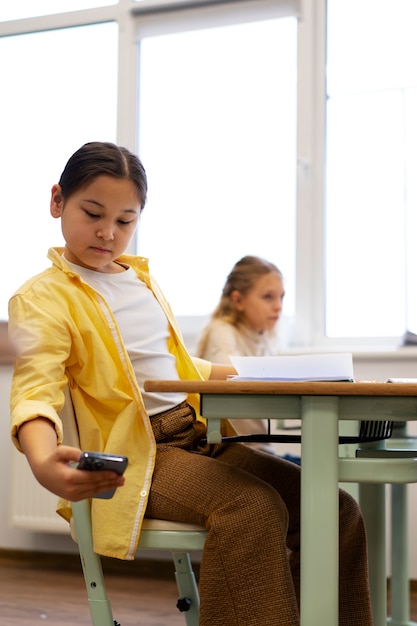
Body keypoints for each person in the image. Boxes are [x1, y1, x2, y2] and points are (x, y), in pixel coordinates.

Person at [9, 142, 373, 626]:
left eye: (125, 220)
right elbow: (36, 388)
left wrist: (283, 373)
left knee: (335, 511)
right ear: (57, 201)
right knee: (251, 508)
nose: (107, 232)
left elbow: (179, 367)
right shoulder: (42, 298)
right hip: (145, 454)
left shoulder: (138, 280)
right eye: (92, 213)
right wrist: (42, 459)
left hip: (198, 437)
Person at [197, 256, 289, 453]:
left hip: (259, 447)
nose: (279, 306)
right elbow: (232, 383)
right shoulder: (222, 332)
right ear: (238, 300)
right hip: (232, 450)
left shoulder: (264, 337)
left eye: (281, 297)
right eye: (268, 297)